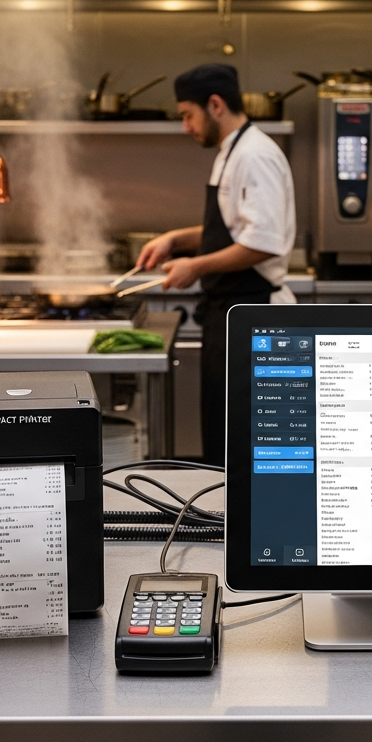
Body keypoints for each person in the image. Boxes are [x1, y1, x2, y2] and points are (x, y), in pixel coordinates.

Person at [135, 63, 297, 464]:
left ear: (216, 105)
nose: (186, 126)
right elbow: (235, 227)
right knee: (224, 441)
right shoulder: (233, 151)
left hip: (256, 316)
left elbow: (263, 242)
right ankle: (218, 522)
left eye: (188, 115)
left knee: (248, 446)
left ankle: (243, 525)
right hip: (231, 314)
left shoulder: (255, 155)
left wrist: (196, 266)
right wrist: (175, 240)